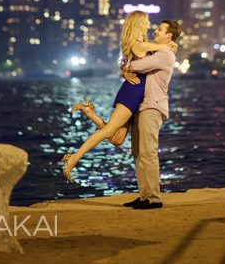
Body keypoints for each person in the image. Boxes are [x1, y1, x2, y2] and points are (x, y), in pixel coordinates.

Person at [57, 10, 175, 181]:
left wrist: (124, 70)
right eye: (146, 22)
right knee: (109, 132)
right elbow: (161, 48)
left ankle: (89, 113)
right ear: (138, 24)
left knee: (117, 139)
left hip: (137, 95)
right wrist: (169, 45)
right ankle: (73, 158)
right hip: (131, 93)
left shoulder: (142, 43)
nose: (149, 26)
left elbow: (127, 63)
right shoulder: (139, 44)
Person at [121, 18, 182, 209]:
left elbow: (136, 66)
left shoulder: (165, 54)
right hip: (142, 105)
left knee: (148, 153)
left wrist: (125, 67)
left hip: (152, 107)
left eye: (159, 30)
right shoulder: (158, 51)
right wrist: (125, 68)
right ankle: (144, 195)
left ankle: (154, 198)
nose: (155, 31)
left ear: (169, 35)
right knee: (138, 153)